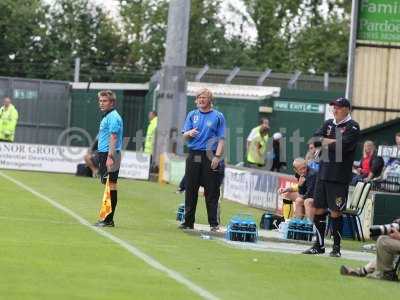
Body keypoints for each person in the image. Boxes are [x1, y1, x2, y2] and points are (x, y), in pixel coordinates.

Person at [303, 97, 360, 257]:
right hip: (323, 173)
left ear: (347, 109)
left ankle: (336, 248)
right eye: (334, 107)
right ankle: (318, 245)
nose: (335, 110)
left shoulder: (353, 126)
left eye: (339, 107)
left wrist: (325, 141)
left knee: (336, 211)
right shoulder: (328, 123)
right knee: (318, 208)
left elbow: (344, 146)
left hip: (338, 176)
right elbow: (315, 139)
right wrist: (328, 141)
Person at [179, 88, 225, 231]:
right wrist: (189, 133)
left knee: (212, 190)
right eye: (199, 97)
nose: (200, 99)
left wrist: (217, 157)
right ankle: (188, 222)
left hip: (210, 155)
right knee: (191, 189)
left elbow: (222, 139)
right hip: (194, 154)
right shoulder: (192, 115)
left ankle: (214, 223)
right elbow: (184, 136)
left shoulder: (218, 116)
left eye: (203, 97)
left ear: (210, 100)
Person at [94, 90, 123, 227]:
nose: (101, 103)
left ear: (112, 102)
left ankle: (109, 219)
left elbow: (114, 137)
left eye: (104, 101)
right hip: (104, 153)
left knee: (111, 185)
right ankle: (106, 218)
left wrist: (110, 156)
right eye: (100, 101)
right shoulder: (107, 116)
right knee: (108, 185)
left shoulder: (113, 117)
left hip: (110, 154)